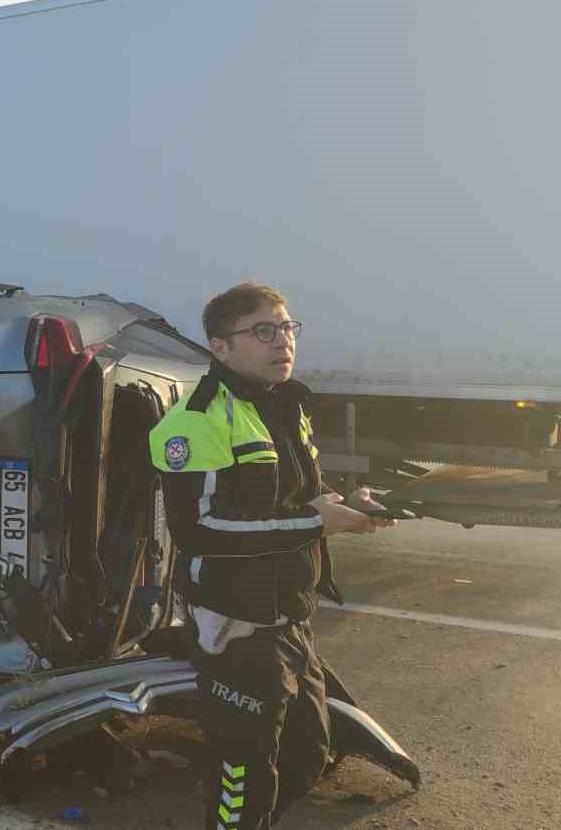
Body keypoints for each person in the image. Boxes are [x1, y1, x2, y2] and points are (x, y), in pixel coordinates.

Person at [148, 282, 390, 829]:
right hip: (235, 625)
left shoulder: (287, 407)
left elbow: (295, 500)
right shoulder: (196, 421)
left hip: (291, 617)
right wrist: (314, 521)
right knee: (243, 775)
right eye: (263, 331)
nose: (282, 341)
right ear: (220, 348)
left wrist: (347, 503)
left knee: (306, 756)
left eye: (286, 327)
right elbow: (201, 530)